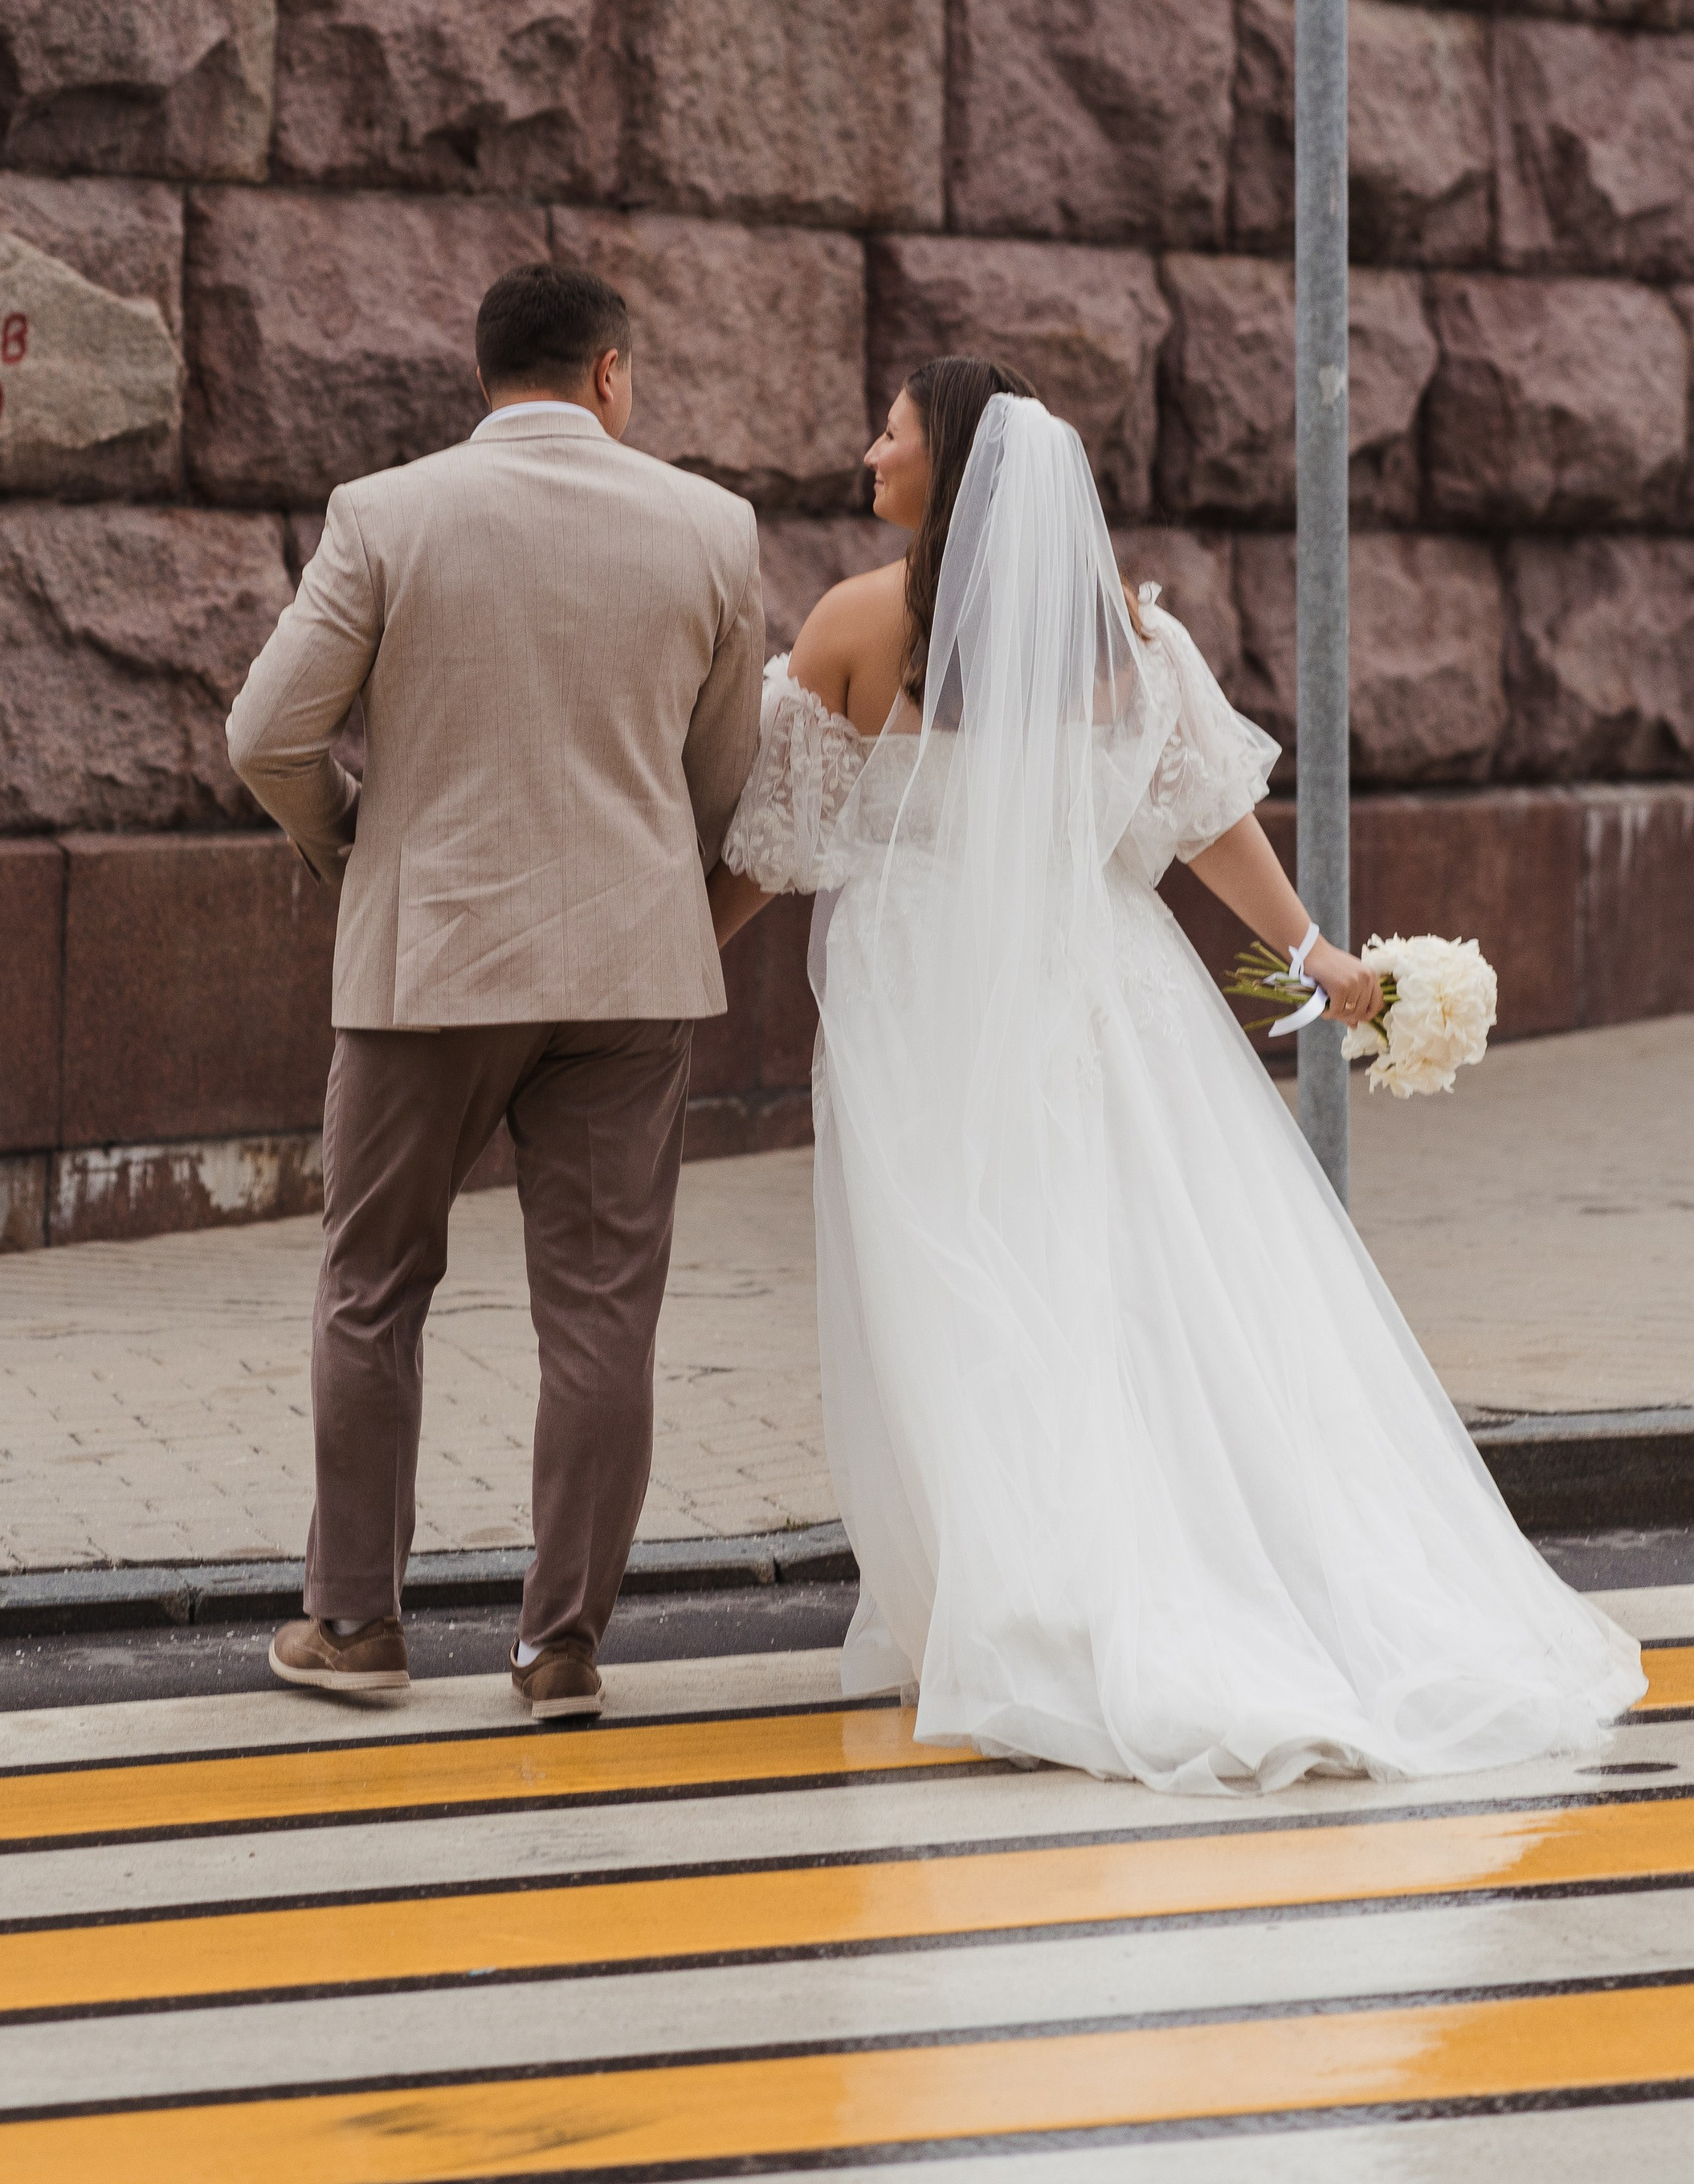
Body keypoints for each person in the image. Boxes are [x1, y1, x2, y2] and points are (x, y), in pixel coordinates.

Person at [709, 361, 1643, 1793]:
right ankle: (1129, 1577)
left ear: (949, 467)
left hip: (922, 1004)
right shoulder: (1130, 640)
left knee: (961, 1295)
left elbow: (772, 848)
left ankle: (1019, 1599)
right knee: (1130, 1290)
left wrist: (669, 967)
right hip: (1104, 988)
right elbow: (1212, 823)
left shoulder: (855, 624)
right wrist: (1317, 954)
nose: (867, 451)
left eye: (889, 431)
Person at [227, 262, 763, 1722]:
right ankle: (562, 1647)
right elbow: (728, 786)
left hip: (428, 962)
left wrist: (354, 845)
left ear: (487, 377)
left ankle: (354, 1625)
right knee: (601, 1314)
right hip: (630, 973)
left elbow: (267, 731)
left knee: (372, 1285)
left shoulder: (386, 515)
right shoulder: (712, 529)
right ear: (611, 375)